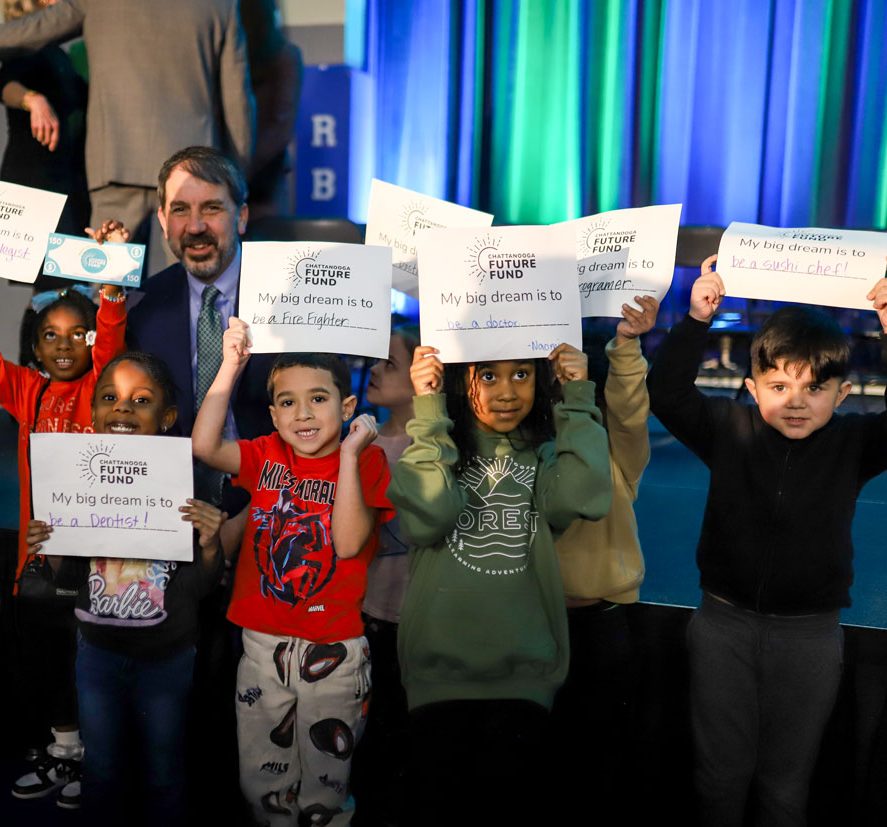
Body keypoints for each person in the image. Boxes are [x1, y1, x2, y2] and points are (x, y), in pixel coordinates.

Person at [647, 256, 887, 826]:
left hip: (810, 634)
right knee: (719, 776)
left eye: (814, 388)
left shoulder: (854, 444)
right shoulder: (727, 430)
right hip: (723, 625)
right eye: (779, 385)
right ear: (752, 389)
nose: (796, 400)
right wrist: (697, 321)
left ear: (845, 392)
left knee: (785, 784)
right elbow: (666, 392)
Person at [387, 341, 612, 825]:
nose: (507, 392)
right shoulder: (434, 448)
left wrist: (576, 395)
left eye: (522, 375)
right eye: (487, 376)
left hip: (524, 681)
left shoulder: (547, 454)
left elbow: (586, 496)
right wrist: (428, 409)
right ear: (459, 380)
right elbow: (430, 517)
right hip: (438, 680)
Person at [191, 317, 394, 826]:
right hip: (262, 644)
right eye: (287, 401)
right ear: (274, 415)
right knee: (261, 777)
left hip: (334, 648)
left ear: (348, 408)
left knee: (325, 781)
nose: (303, 413)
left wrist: (349, 454)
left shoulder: (365, 463)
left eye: (319, 399)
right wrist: (230, 366)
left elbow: (347, 543)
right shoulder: (266, 455)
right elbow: (204, 446)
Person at [24, 351, 225, 824]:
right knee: (103, 768)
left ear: (167, 416)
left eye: (141, 400)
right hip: (96, 654)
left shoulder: (187, 488)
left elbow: (199, 587)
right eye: (110, 398)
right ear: (93, 411)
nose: (122, 408)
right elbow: (67, 579)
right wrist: (49, 545)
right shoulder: (72, 479)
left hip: (168, 657)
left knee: (164, 771)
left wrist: (212, 545)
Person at [0, 0, 255, 273]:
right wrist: (236, 177)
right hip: (194, 175)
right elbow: (238, 100)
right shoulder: (219, 6)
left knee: (109, 287)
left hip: (117, 163)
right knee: (195, 287)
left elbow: (31, 30)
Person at [2, 282, 125, 809]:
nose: (64, 345)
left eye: (79, 333)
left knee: (89, 660)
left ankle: (97, 759)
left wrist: (113, 296)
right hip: (39, 559)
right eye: (51, 336)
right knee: (48, 659)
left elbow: (112, 344)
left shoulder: (101, 385)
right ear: (35, 348)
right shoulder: (28, 389)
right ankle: (64, 748)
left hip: (95, 555)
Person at [549, 296, 659, 816]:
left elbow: (630, 409)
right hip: (532, 624)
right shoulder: (531, 455)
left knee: (601, 768)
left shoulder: (618, 454)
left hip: (605, 626)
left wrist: (627, 346)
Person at [125, 145, 273, 444]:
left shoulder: (288, 295)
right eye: (180, 210)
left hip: (270, 481)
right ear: (164, 222)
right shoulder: (142, 305)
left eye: (211, 208)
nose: (195, 226)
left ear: (241, 216)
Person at [351, 323, 418, 827]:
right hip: (365, 617)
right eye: (374, 361)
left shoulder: (440, 448)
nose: (373, 369)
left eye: (388, 364)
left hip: (418, 626)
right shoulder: (361, 440)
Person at [0, 0, 89, 237]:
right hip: (32, 179)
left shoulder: (57, 52)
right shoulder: (19, 47)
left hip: (64, 178)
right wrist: (33, 99)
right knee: (34, 272)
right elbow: (5, 83)